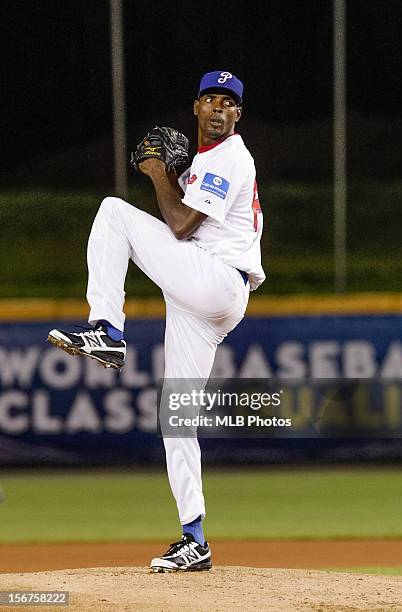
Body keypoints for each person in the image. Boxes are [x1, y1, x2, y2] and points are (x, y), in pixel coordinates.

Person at [48, 70, 265, 572]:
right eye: (210, 98)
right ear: (195, 107)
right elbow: (183, 229)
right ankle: (195, 538)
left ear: (238, 115)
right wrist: (175, 175)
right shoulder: (204, 163)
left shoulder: (230, 157)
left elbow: (181, 225)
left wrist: (155, 172)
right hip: (202, 295)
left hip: (216, 278)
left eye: (228, 103)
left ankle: (107, 329)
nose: (217, 108)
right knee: (177, 420)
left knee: (112, 212)